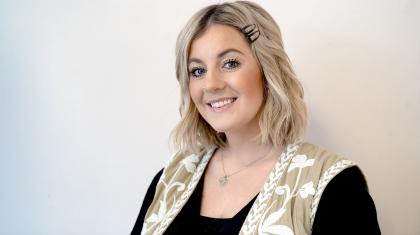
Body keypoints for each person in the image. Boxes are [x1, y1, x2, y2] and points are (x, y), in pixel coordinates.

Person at [132, 1, 381, 234]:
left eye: (230, 63)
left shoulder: (333, 185)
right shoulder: (171, 179)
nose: (210, 84)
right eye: (197, 70)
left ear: (267, 69)